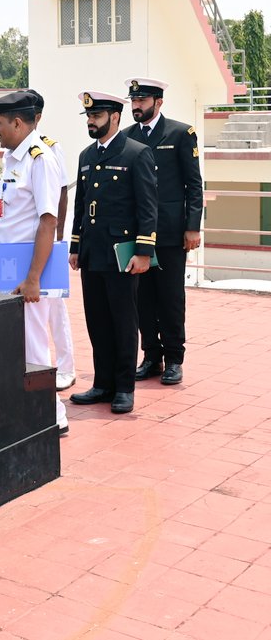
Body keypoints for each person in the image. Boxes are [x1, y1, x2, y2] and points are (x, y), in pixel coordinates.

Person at [68, 90, 158, 415]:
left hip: (121, 254)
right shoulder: (85, 155)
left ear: (114, 117)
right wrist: (76, 246)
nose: (91, 122)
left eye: (96, 116)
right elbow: (80, 207)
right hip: (92, 253)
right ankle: (102, 383)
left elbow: (148, 207)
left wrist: (144, 251)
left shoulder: (136, 154)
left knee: (123, 320)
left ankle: (124, 388)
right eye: (89, 117)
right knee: (97, 320)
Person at [0, 91, 68, 435]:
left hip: (27, 267)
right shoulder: (14, 157)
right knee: (18, 343)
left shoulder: (39, 159)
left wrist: (33, 277)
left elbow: (49, 221)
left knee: (33, 344)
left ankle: (51, 414)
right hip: (10, 262)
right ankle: (32, 407)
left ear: (18, 123)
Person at [125, 77, 204, 385]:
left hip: (170, 231)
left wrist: (192, 227)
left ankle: (174, 358)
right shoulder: (127, 137)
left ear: (158, 102)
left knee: (170, 297)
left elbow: (193, 184)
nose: (136, 106)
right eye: (133, 101)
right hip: (137, 232)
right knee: (142, 297)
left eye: (142, 101)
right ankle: (151, 357)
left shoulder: (180, 133)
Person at [24, 89, 77, 391]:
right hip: (25, 244)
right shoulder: (16, 149)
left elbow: (62, 193)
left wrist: (58, 240)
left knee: (56, 308)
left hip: (50, 240)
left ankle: (66, 367)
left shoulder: (49, 148)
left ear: (38, 116)